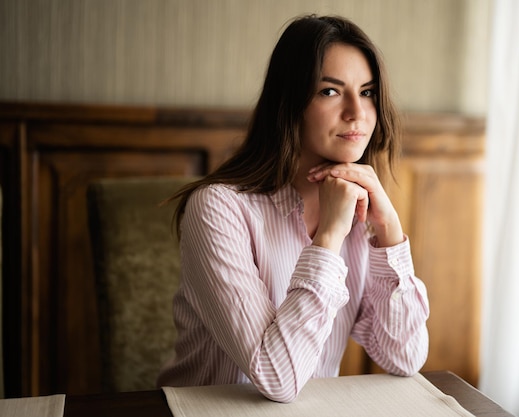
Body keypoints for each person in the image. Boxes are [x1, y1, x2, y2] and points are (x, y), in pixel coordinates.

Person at [157, 14, 429, 403]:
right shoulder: (217, 208)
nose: (357, 112)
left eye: (367, 92)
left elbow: (405, 357)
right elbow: (276, 377)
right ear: (290, 102)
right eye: (330, 92)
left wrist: (389, 231)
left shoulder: (364, 212)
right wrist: (329, 237)